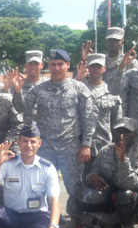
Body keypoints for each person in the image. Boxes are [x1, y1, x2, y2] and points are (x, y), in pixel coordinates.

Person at [20, 49, 96, 201]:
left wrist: (86, 144)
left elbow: (89, 117)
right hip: (45, 148)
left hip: (70, 148)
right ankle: (46, 221)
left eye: (60, 64)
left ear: (67, 65)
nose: (56, 68)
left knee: (76, 188)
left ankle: (77, 221)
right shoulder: (38, 90)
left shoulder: (78, 88)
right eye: (53, 64)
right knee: (42, 187)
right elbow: (26, 116)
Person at [75, 117, 138, 228]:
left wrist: (123, 161)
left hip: (134, 203)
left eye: (126, 133)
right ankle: (105, 225)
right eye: (117, 132)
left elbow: (132, 184)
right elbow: (93, 170)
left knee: (126, 195)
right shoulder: (106, 150)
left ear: (134, 135)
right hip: (109, 197)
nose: (121, 137)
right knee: (79, 196)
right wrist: (93, 177)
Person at [81, 53, 122, 158]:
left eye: (98, 67)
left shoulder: (111, 91)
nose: (95, 70)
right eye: (92, 66)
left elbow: (116, 122)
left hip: (104, 145)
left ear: (104, 68)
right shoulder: (78, 89)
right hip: (81, 146)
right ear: (88, 68)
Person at [101, 27, 138, 96]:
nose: (112, 43)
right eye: (110, 40)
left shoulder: (130, 62)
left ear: (122, 41)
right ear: (106, 42)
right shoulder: (99, 62)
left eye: (116, 40)